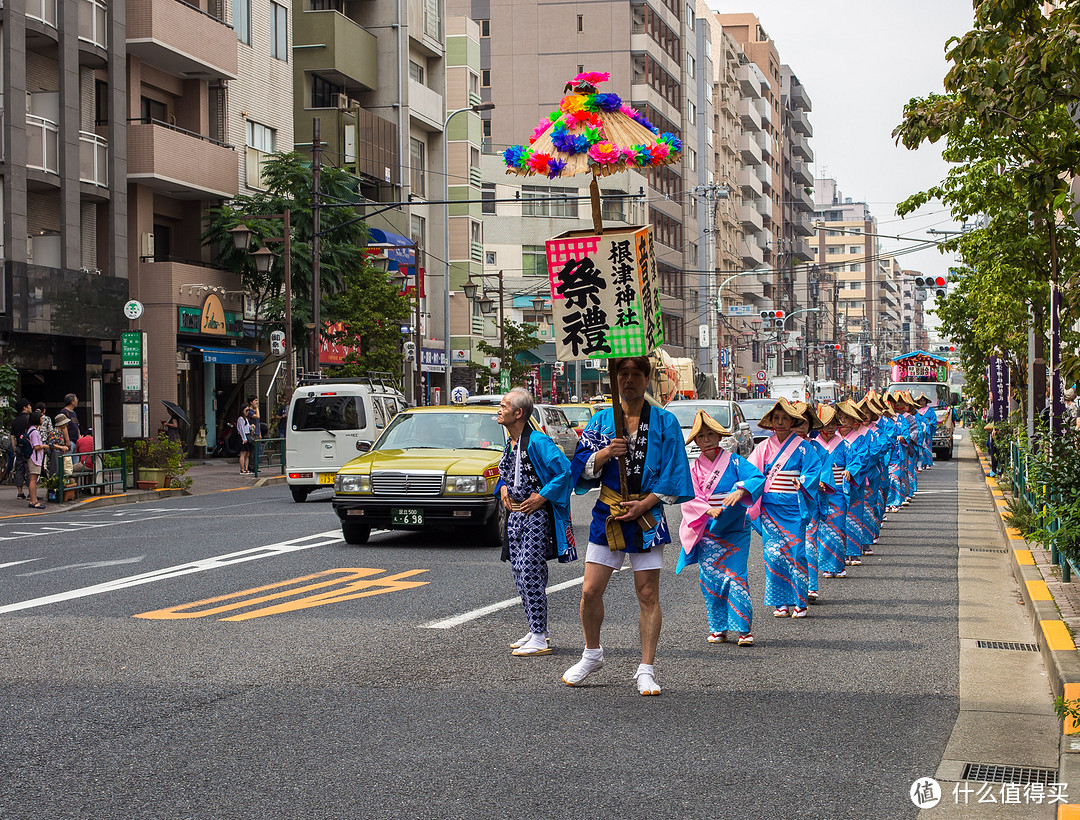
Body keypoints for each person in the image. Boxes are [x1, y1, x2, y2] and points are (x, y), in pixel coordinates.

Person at [562, 356, 693, 695]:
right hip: (608, 511)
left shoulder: (664, 422)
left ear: (648, 379)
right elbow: (581, 467)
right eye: (624, 374)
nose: (630, 380)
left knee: (648, 593)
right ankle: (592, 653)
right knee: (590, 590)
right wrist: (606, 453)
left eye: (637, 374)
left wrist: (646, 503)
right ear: (615, 379)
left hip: (647, 514)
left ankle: (646, 668)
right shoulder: (602, 419)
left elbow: (675, 472)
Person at [495, 387, 576, 657]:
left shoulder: (538, 441)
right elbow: (505, 473)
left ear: (518, 413)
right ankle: (534, 627)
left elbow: (564, 470)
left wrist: (542, 497)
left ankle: (540, 635)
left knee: (530, 570)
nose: (500, 409)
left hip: (535, 516)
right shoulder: (511, 442)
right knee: (519, 571)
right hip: (515, 515)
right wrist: (503, 488)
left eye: (505, 405)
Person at [677, 410, 764, 646]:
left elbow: (757, 478)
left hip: (735, 528)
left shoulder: (734, 461)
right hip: (708, 532)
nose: (706, 439)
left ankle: (744, 629)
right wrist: (706, 510)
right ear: (695, 441)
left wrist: (741, 490)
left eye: (710, 434)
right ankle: (718, 627)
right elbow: (687, 495)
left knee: (736, 577)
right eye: (701, 436)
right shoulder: (693, 469)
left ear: (719, 437)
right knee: (710, 579)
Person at [747, 397, 821, 619]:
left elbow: (813, 469)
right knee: (774, 554)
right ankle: (780, 602)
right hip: (770, 509)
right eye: (776, 418)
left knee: (797, 553)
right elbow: (752, 474)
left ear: (792, 422)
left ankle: (800, 600)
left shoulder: (804, 447)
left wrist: (804, 481)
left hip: (793, 507)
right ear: (771, 422)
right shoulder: (763, 447)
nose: (780, 422)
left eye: (784, 418)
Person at [811, 404, 850, 580]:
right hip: (818, 491)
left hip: (838, 490)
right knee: (823, 530)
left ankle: (838, 565)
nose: (831, 427)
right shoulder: (812, 446)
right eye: (827, 424)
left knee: (838, 527)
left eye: (834, 424)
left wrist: (849, 470)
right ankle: (827, 566)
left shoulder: (844, 444)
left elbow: (854, 461)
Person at [10, 398, 32, 500]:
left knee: (19, 469)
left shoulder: (15, 421)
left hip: (19, 447)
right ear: (25, 407)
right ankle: (30, 492)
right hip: (29, 447)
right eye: (29, 405)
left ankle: (20, 492)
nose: (30, 407)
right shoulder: (30, 419)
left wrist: (15, 448)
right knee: (29, 469)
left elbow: (12, 436)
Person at [25, 411, 46, 509]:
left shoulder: (30, 430)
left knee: (33, 479)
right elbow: (36, 446)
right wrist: (44, 446)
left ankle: (33, 500)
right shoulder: (34, 432)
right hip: (35, 458)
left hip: (33, 457)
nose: (42, 419)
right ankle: (33, 501)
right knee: (33, 480)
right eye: (41, 418)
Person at [237, 404, 253, 475]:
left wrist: (252, 427)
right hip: (243, 437)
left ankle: (246, 469)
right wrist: (244, 438)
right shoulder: (240, 419)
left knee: (247, 453)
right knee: (243, 453)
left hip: (247, 435)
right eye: (246, 410)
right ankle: (242, 469)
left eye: (248, 410)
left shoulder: (246, 419)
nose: (248, 412)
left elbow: (248, 427)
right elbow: (241, 429)